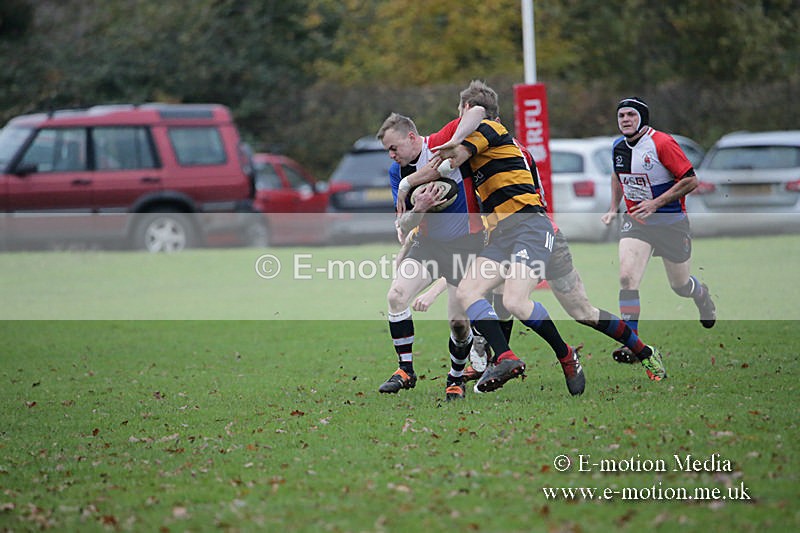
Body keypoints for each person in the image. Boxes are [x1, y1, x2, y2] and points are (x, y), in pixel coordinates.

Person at [429, 81, 667, 385]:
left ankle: (642, 352)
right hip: (509, 235)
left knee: (579, 311)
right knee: (479, 293)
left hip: (538, 232)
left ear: (468, 113)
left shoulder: (493, 134)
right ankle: (504, 359)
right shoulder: (480, 148)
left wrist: (438, 160)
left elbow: (470, 127)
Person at [600, 96, 716, 377]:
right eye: (621, 116)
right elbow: (618, 176)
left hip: (670, 223)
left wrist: (656, 203)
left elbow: (691, 180)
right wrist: (613, 208)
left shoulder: (662, 143)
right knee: (627, 277)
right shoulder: (617, 147)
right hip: (637, 222)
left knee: (679, 285)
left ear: (642, 118)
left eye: (630, 115)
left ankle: (700, 293)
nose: (625, 119)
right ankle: (633, 343)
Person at [375, 112, 485, 401]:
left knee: (459, 324)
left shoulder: (440, 142)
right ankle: (405, 370)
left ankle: (456, 378)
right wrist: (420, 206)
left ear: (412, 138)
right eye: (387, 150)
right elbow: (405, 224)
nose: (391, 155)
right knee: (397, 295)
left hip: (465, 246)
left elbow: (478, 112)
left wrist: (458, 140)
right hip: (428, 245)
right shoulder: (395, 172)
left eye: (394, 148)